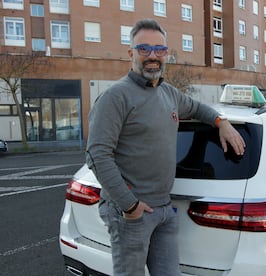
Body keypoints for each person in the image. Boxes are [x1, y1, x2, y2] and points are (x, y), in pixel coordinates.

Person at [86, 18, 245, 276]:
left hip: (163, 210)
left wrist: (221, 122)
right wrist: (130, 206)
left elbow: (195, 108)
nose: (153, 56)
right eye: (144, 49)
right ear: (131, 53)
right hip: (131, 214)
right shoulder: (116, 96)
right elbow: (97, 154)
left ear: (166, 54)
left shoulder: (168, 93)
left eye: (160, 50)